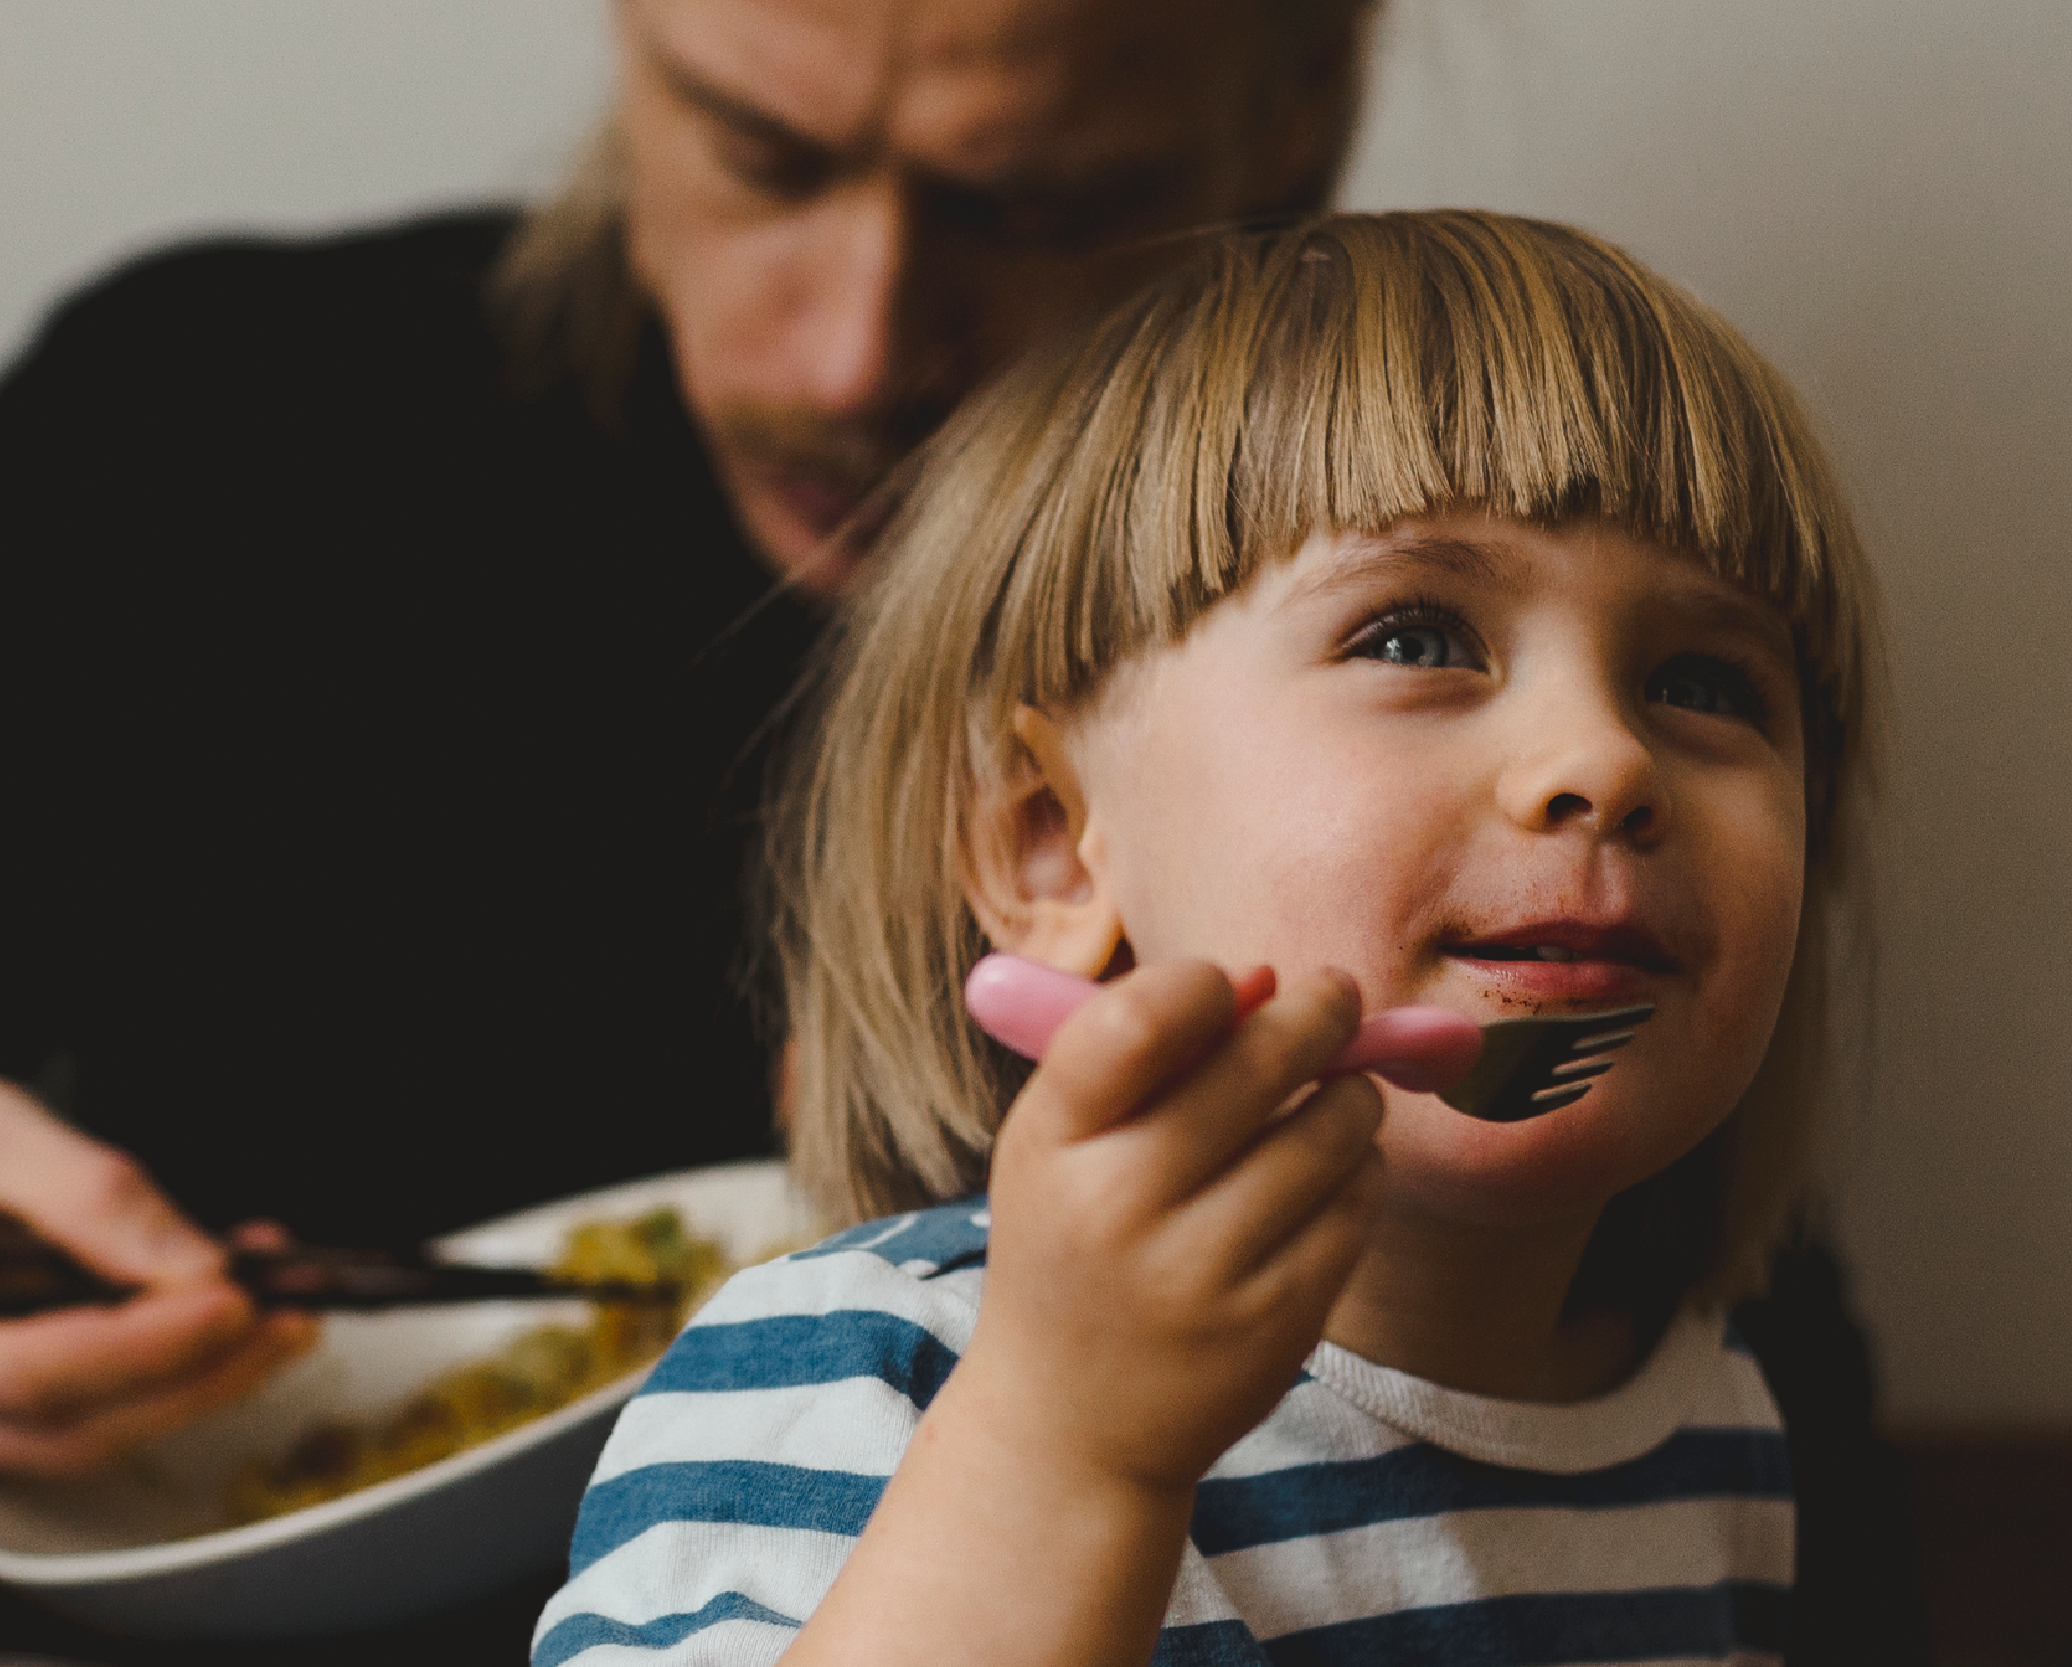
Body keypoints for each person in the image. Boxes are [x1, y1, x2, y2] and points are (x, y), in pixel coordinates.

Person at [0, 3, 1914, 1659]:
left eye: (1041, 196)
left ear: (1293, 112)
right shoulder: (190, 427)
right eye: (756, 148)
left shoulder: (1522, 747)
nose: (851, 346)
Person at [535, 210, 1871, 1665]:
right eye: (1414, 639)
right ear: (1051, 843)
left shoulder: (1713, 1425)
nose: (1602, 758)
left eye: (1703, 681)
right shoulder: (864, 1378)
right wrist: (1069, 1446)